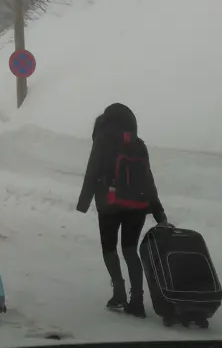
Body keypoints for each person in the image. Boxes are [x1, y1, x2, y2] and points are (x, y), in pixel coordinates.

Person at [76, 103, 166, 318]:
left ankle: (118, 293)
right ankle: (137, 300)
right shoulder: (139, 144)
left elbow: (92, 171)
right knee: (130, 250)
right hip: (138, 206)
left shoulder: (102, 140)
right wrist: (158, 212)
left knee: (109, 249)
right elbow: (148, 179)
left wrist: (83, 202)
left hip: (110, 205)